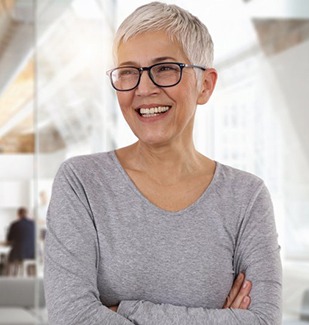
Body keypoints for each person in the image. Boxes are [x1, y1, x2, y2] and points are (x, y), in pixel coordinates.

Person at [44, 2, 282, 324]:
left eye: (165, 68)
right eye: (128, 71)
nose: (143, 89)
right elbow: (72, 317)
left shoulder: (246, 197)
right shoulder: (82, 183)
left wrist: (127, 310)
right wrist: (218, 319)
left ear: (205, 85)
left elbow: (264, 320)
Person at [6, 207, 35, 276]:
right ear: (27, 214)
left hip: (18, 253)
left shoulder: (14, 224)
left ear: (18, 215)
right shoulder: (33, 224)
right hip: (32, 253)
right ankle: (31, 276)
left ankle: (10, 278)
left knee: (8, 260)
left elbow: (9, 239)